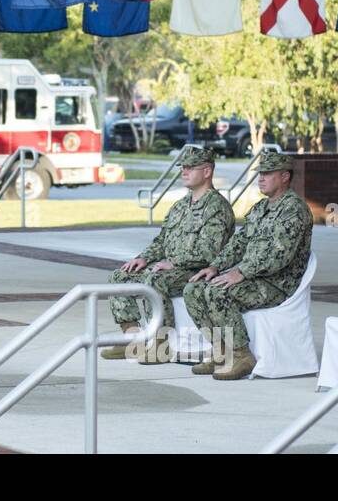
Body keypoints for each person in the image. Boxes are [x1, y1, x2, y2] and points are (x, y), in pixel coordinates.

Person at [182, 151, 314, 380]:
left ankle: (242, 355)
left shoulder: (294, 209)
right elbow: (239, 243)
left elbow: (279, 255)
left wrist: (241, 272)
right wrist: (215, 266)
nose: (260, 178)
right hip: (254, 277)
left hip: (277, 283)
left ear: (284, 176)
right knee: (193, 289)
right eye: (260, 173)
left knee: (216, 292)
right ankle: (220, 351)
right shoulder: (260, 208)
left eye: (267, 173)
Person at [103, 146, 235, 364]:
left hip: (196, 271)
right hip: (170, 266)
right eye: (182, 167)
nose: (184, 172)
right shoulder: (180, 206)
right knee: (120, 277)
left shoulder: (217, 207)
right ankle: (132, 339)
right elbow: (162, 240)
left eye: (190, 168)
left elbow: (210, 252)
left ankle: (160, 343)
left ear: (207, 171)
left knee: (154, 280)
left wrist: (173, 263)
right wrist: (143, 258)